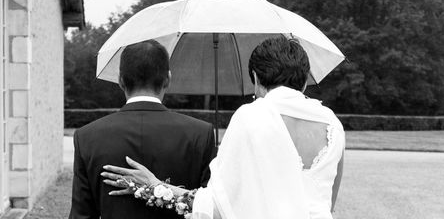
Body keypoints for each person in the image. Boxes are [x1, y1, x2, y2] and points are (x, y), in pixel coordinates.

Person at [102, 36, 345, 219]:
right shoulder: (333, 124)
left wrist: (157, 186)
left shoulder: (251, 116)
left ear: (256, 78)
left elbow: (218, 206)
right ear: (303, 82)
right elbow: (329, 202)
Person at [69, 39, 216, 219]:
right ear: (168, 79)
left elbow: (81, 215)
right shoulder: (200, 134)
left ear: (120, 80)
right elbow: (211, 207)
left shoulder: (87, 137)